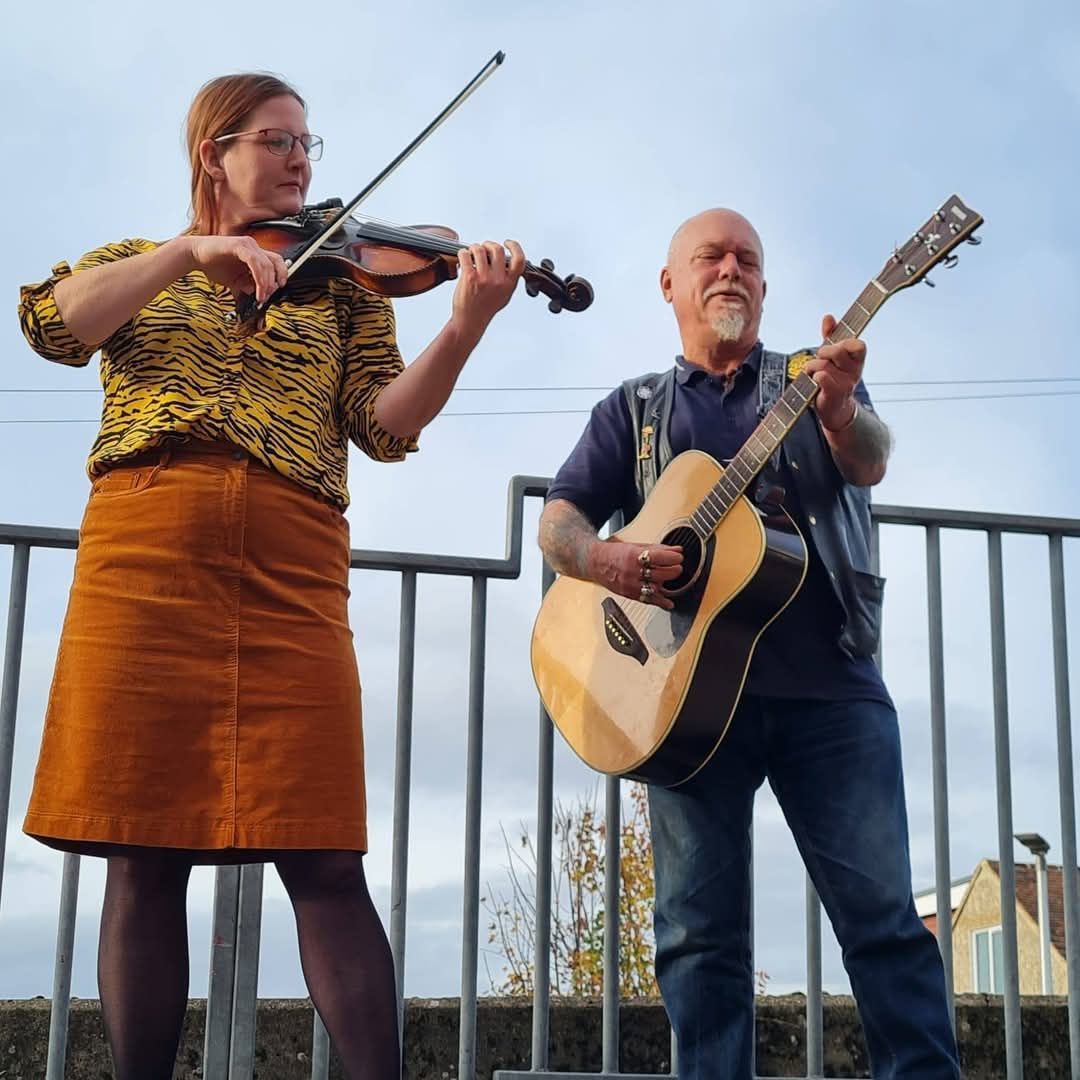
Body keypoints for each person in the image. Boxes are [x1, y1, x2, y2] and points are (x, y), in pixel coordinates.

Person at [16, 72, 524, 1080]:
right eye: (280, 141)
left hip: (292, 568)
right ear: (215, 152)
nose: (301, 161)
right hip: (146, 557)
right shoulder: (139, 265)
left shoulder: (343, 285)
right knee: (142, 851)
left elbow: (382, 427)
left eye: (308, 145)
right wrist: (188, 254)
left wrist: (464, 323)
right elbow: (53, 324)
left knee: (327, 854)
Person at [537, 208, 959, 1079]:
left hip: (830, 689)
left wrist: (842, 410)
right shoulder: (636, 409)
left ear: (765, 285)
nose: (731, 271)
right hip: (679, 702)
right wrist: (603, 559)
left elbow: (872, 460)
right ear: (670, 283)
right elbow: (559, 523)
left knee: (884, 924)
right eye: (711, 257)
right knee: (698, 945)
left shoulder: (815, 376)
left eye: (749, 261)